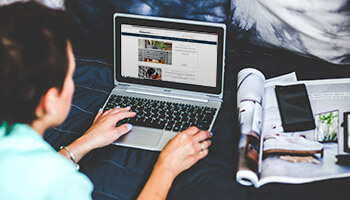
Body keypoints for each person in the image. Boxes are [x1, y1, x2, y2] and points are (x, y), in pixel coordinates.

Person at [0, 1, 212, 199]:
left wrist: (84, 143)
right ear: (49, 101)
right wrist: (167, 167)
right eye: (70, 76)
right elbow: (43, 178)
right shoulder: (64, 184)